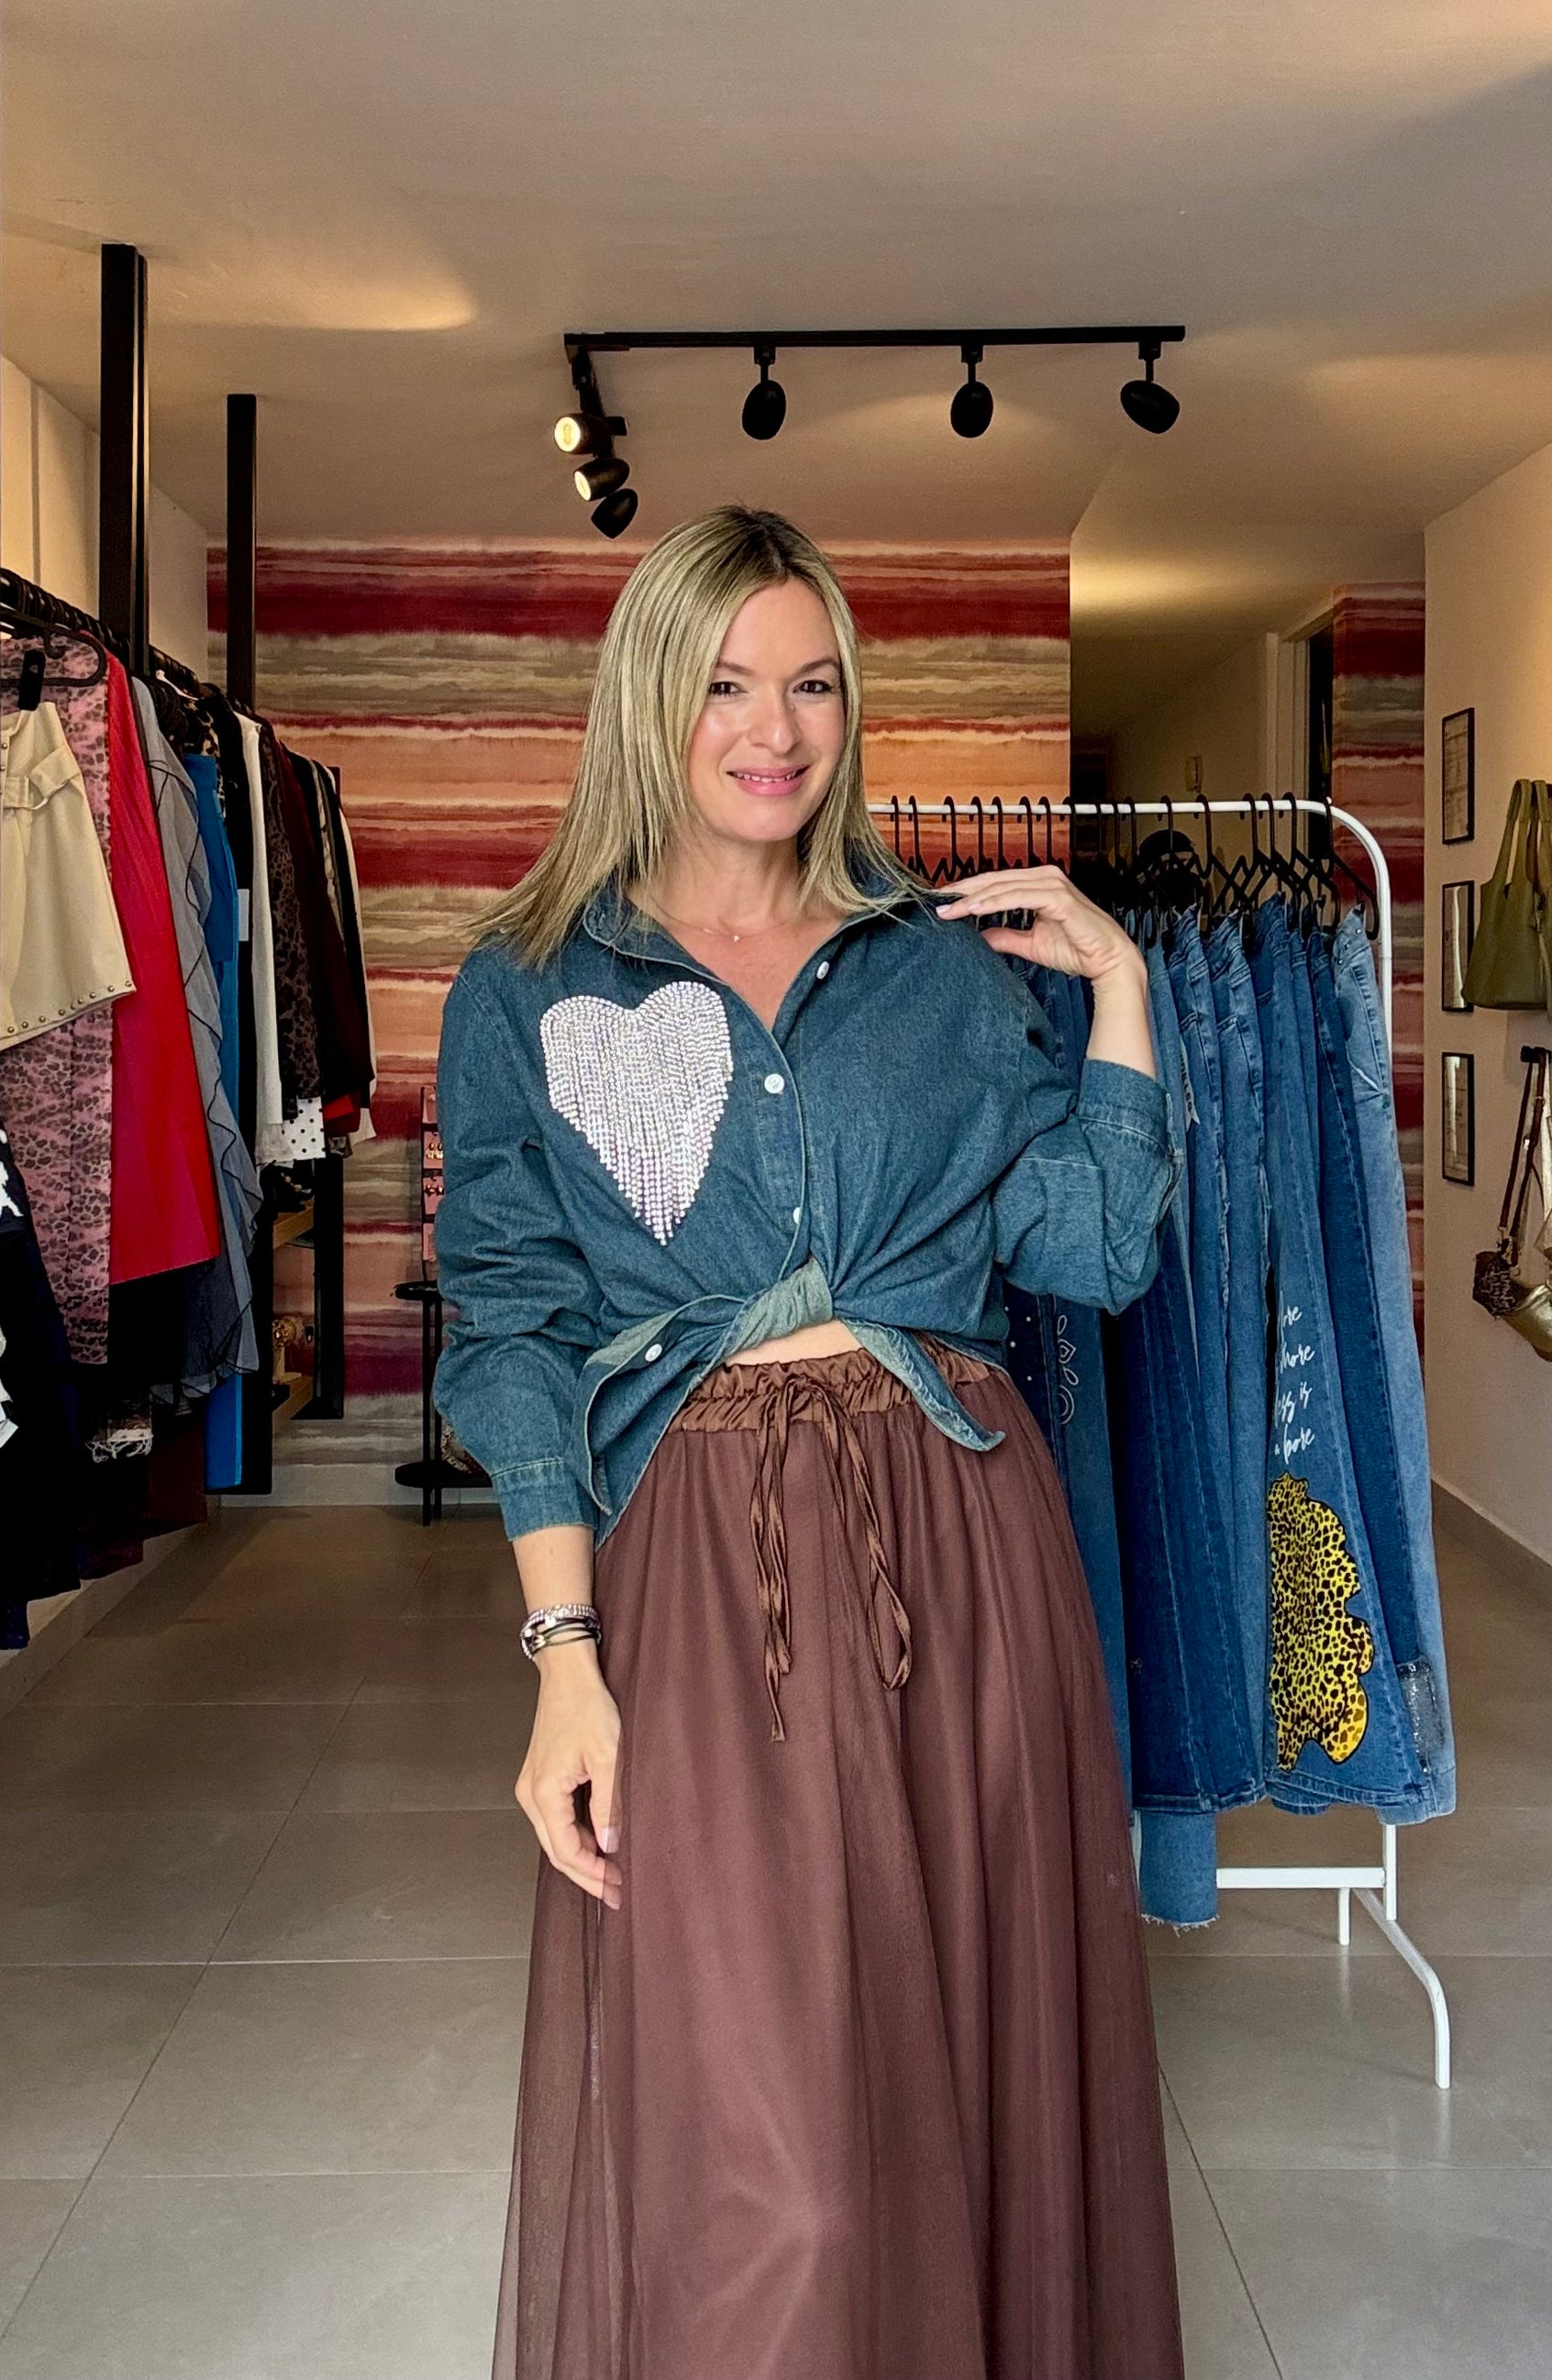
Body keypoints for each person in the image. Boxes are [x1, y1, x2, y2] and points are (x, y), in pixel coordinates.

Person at [436, 504, 1185, 2379]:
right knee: (773, 2169)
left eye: (814, 685)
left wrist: (1119, 988)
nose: (773, 732)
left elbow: (1094, 1248)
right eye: (724, 685)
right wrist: (563, 1655)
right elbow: (512, 1329)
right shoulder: (531, 983)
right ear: (647, 699)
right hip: (703, 1575)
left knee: (967, 2090)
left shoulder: (940, 968)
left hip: (962, 1550)